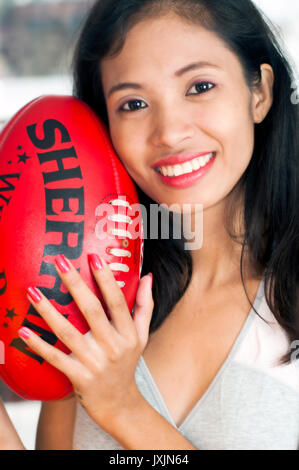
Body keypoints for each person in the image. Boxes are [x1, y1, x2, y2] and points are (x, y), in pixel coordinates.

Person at [1, 0, 299, 450]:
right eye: (133, 103)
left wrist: (122, 407)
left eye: (199, 86)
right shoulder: (91, 298)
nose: (169, 132)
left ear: (259, 93)